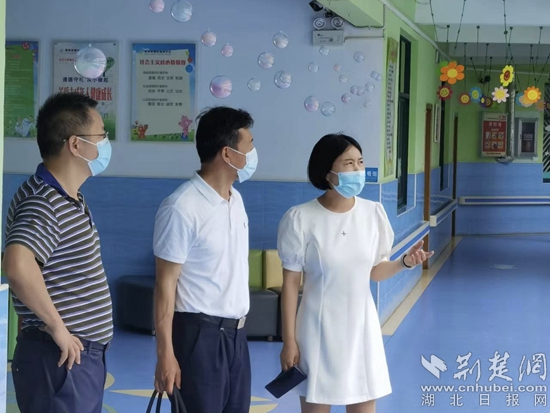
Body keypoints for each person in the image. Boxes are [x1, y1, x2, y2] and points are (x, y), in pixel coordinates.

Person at [277, 133, 433, 413]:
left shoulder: (373, 213)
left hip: (362, 328)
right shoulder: (301, 218)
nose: (358, 170)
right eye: (348, 163)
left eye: (360, 162)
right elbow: (290, 285)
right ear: (327, 172)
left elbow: (375, 272)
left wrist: (405, 262)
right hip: (317, 330)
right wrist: (289, 340)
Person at [2, 92, 114, 413]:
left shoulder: (66, 197)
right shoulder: (44, 201)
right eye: (102, 135)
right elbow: (17, 264)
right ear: (76, 145)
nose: (107, 143)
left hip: (70, 357)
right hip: (61, 357)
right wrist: (57, 328)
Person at [153, 106, 257, 413]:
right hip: (199, 337)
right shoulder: (181, 207)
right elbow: (165, 285)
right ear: (228, 153)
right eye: (249, 145)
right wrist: (165, 354)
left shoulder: (236, 200)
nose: (253, 153)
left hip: (237, 336)